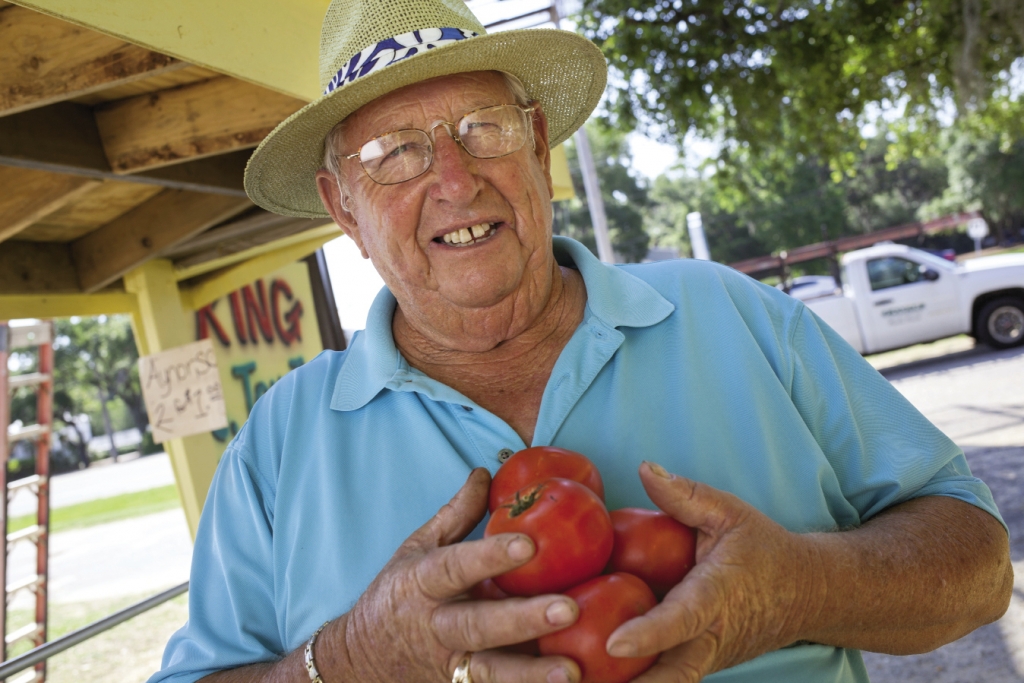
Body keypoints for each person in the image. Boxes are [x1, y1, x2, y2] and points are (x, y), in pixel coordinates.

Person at [150, 0, 1013, 681]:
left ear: (536, 147)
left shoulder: (730, 314)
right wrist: (347, 663)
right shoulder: (278, 443)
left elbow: (978, 565)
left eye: (481, 127)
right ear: (346, 211)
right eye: (394, 153)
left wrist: (796, 591)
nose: (454, 179)